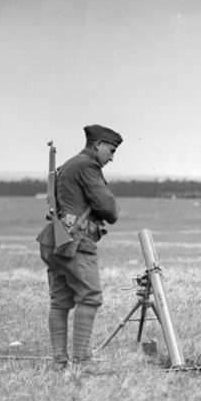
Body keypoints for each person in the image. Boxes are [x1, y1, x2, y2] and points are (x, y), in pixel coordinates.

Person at [36, 124, 122, 372]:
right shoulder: (88, 165)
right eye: (111, 150)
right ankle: (83, 361)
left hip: (55, 240)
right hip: (76, 242)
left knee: (60, 301)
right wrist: (114, 208)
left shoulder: (68, 165)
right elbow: (108, 208)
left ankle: (59, 362)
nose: (111, 158)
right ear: (98, 144)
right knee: (90, 297)